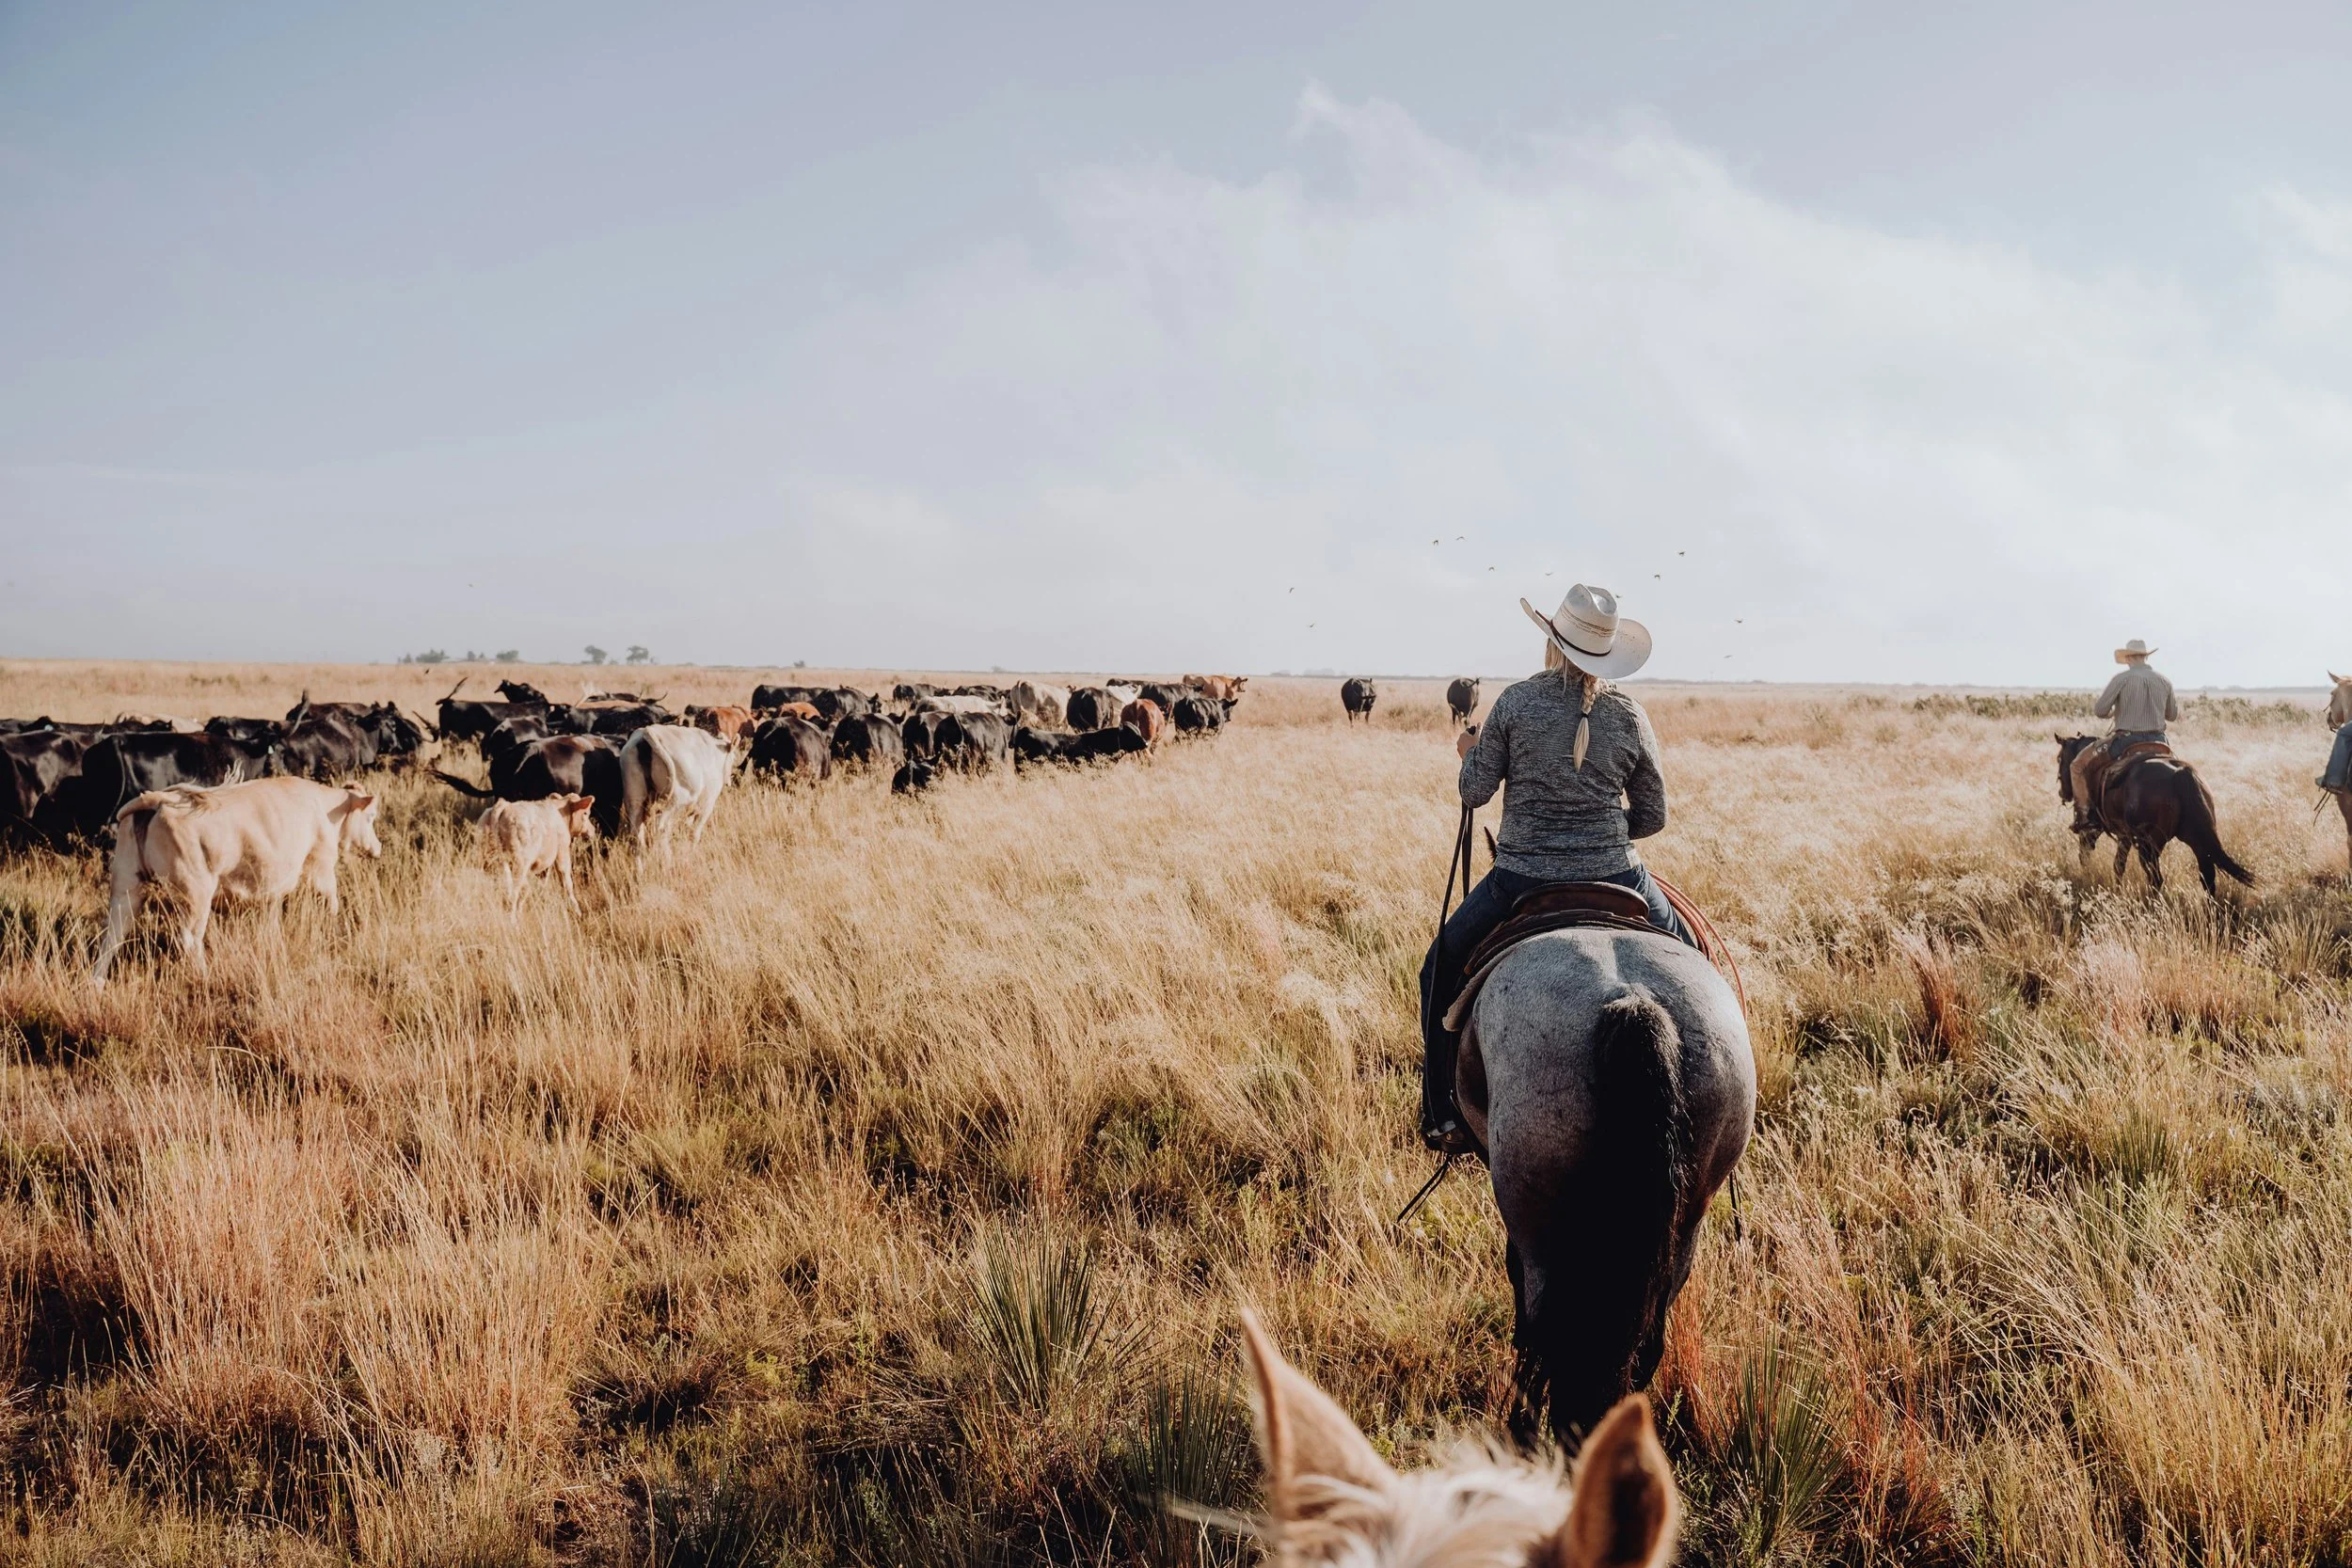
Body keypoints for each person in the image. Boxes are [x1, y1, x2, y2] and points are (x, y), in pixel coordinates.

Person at [1418, 584, 1695, 1156]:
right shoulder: (1630, 714)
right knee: (1696, 959)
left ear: (1552, 642)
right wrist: (1601, 835)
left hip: (1521, 879)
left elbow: (1474, 792)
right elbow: (1654, 815)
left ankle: (1442, 1111)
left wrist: (1471, 751)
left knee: (1439, 969)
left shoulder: (1517, 704)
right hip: (1620, 875)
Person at [2071, 639, 2178, 830]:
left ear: (2128, 658)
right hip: (2160, 741)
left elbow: (2100, 710)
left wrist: (2116, 712)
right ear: (2145, 657)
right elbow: (2172, 715)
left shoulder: (2121, 679)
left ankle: (2086, 816)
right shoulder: (2164, 680)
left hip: (2127, 740)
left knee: (2078, 766)